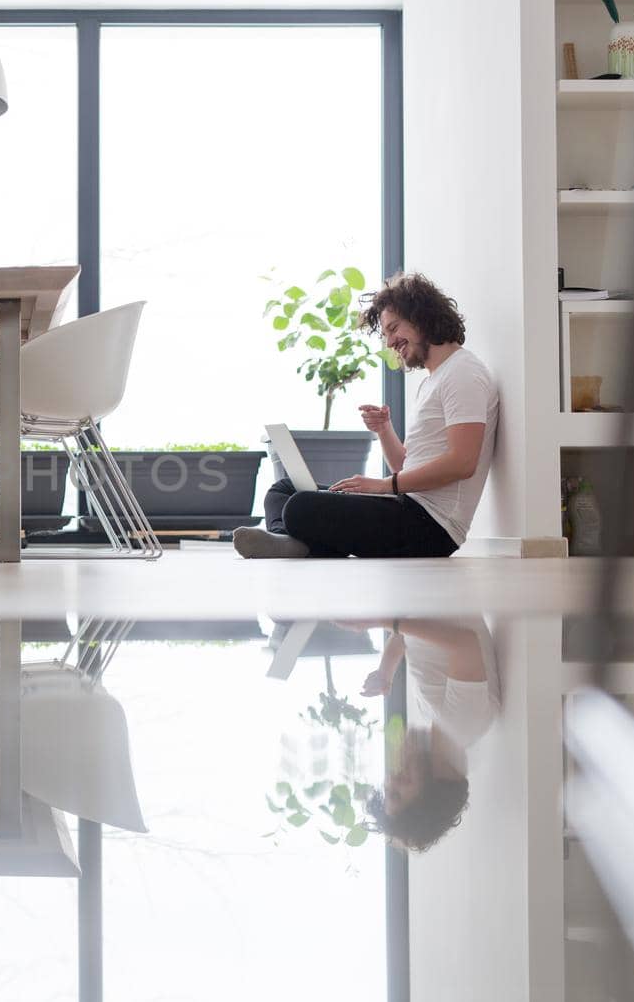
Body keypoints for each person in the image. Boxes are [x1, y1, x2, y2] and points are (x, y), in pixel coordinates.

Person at [234, 271, 499, 559]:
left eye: (393, 328)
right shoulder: (434, 379)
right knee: (283, 489)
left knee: (300, 506)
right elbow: (406, 467)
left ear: (421, 316)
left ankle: (299, 543)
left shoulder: (463, 373)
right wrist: (385, 430)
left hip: (431, 526)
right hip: (408, 506)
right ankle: (293, 542)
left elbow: (463, 463)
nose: (389, 343)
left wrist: (384, 486)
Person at [355, 617, 500, 852]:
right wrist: (386, 622)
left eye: (387, 791)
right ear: (429, 800)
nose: (390, 780)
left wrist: (385, 672)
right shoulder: (463, 722)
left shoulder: (436, 719)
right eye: (397, 795)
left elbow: (407, 638)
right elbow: (465, 645)